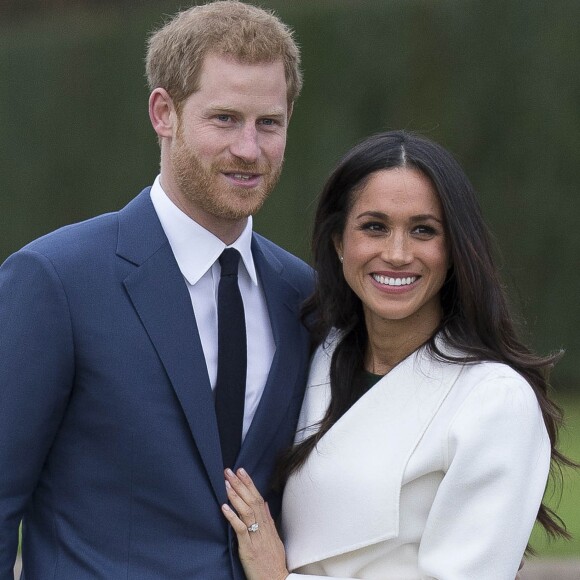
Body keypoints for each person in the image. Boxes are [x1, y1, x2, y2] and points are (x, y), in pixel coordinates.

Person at [0, 1, 314, 578]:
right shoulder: (55, 281)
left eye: (268, 122)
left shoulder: (303, 295)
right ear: (163, 113)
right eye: (224, 118)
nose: (249, 148)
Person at [221, 130, 572, 579]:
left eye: (423, 230)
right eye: (374, 227)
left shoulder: (495, 401)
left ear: (453, 251)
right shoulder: (311, 356)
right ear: (338, 242)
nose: (398, 253)